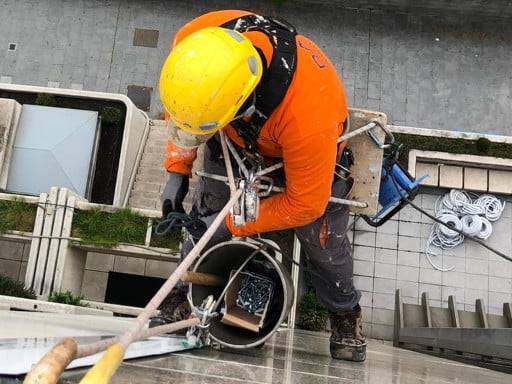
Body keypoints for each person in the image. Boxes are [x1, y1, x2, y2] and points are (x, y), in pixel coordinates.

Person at [158, 10, 366, 362]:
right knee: (203, 223)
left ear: (245, 100)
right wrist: (177, 169)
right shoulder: (197, 45)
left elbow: (305, 204)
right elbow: (184, 106)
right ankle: (182, 291)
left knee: (323, 244)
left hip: (300, 159)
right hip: (239, 139)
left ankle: (345, 312)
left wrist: (234, 223)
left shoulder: (308, 116)